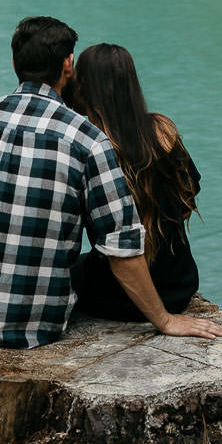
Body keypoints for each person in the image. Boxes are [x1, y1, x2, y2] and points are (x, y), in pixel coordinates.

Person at [0, 16, 222, 347]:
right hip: (40, 327)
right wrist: (164, 320)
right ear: (67, 65)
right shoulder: (93, 140)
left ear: (14, 63)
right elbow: (125, 243)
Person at [65, 43, 202, 322]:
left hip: (116, 296)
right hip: (178, 286)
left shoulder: (89, 148)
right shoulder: (164, 130)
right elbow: (189, 195)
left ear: (84, 87)